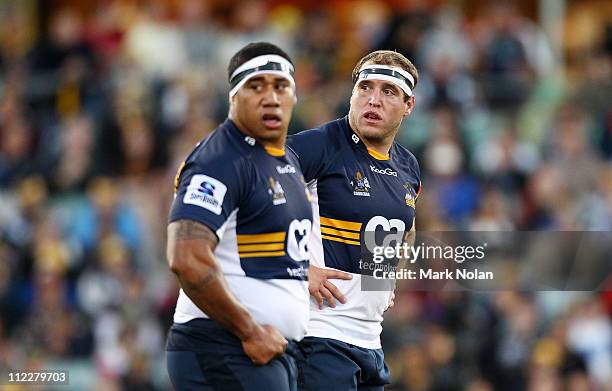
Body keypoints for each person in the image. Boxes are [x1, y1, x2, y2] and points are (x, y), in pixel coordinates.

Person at [165, 42, 313, 391]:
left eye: (280, 86)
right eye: (255, 86)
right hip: (226, 345)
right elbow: (186, 257)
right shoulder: (221, 159)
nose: (270, 97)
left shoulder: (285, 160)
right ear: (233, 96)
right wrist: (248, 329)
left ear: (293, 95)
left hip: (267, 350)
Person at [287, 50, 422, 391]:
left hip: (368, 339)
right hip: (316, 336)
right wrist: (296, 267)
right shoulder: (321, 145)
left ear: (409, 105)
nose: (373, 100)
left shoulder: (408, 167)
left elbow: (406, 228)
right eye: (365, 88)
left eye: (388, 92)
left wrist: (389, 280)